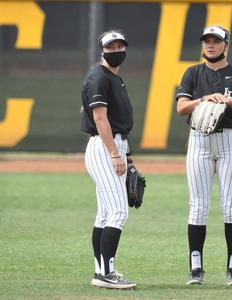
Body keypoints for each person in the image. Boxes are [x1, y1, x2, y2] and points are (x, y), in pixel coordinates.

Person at [176, 25, 232, 286]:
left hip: (230, 141)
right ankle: (195, 268)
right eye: (206, 41)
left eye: (216, 41)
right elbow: (181, 108)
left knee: (231, 206)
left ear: (226, 45)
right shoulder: (192, 73)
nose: (210, 45)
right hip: (199, 141)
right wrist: (204, 100)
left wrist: (231, 102)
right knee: (198, 207)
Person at [80, 30, 136, 289]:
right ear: (101, 50)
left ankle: (101, 270)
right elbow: (100, 119)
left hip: (113, 144)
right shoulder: (98, 78)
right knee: (118, 211)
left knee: (104, 214)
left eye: (119, 46)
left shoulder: (113, 77)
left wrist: (125, 153)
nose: (115, 51)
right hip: (105, 148)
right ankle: (105, 274)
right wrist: (115, 153)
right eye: (110, 47)